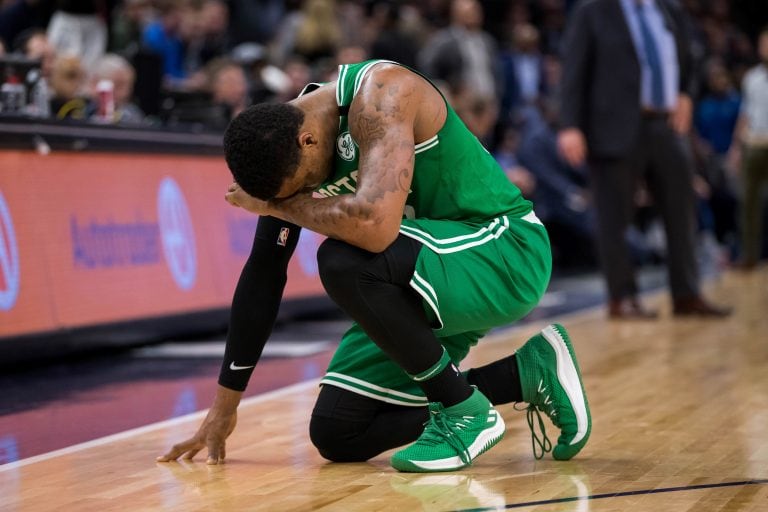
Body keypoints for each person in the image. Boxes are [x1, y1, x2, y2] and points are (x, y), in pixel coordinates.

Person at [157, 60, 591, 472]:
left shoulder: (382, 94)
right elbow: (264, 275)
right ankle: (525, 373)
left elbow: (376, 228)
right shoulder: (282, 146)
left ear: (308, 139)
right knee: (340, 430)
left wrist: (284, 208)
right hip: (427, 274)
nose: (299, 197)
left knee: (342, 258)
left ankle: (464, 413)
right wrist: (224, 407)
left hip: (504, 251)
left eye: (297, 189)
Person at [557, 0, 731, 319]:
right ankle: (622, 297)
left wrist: (687, 94)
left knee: (682, 210)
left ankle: (686, 293)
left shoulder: (668, 9)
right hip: (612, 125)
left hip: (666, 123)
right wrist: (570, 124)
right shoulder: (593, 10)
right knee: (614, 216)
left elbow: (689, 58)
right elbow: (574, 67)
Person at [730, 27, 768, 270]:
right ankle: (749, 256)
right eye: (764, 43)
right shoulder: (751, 78)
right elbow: (744, 114)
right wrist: (735, 147)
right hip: (753, 144)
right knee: (748, 203)